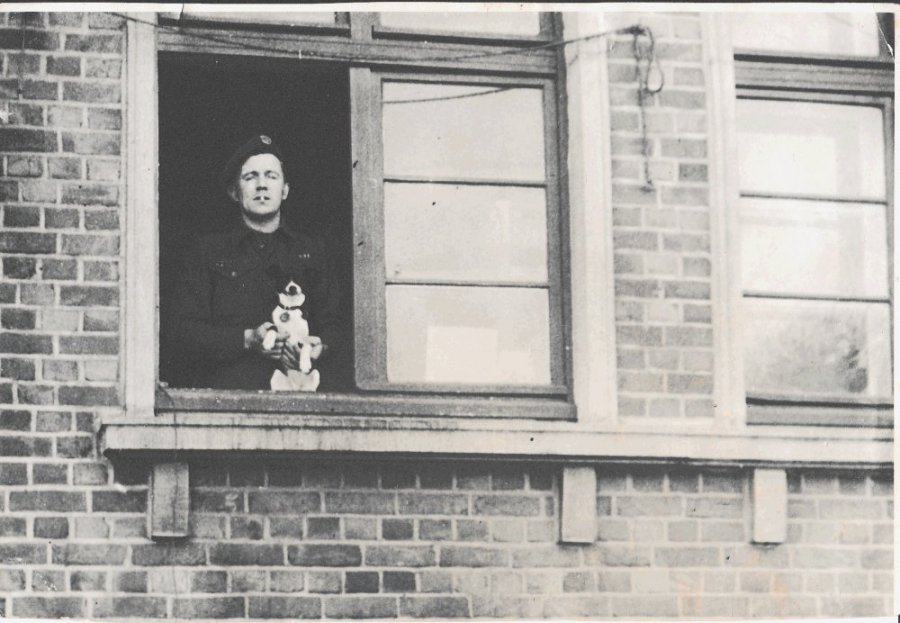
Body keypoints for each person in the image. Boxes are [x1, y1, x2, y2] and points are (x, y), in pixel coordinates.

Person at [170, 134, 344, 390]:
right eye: (250, 177)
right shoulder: (207, 251)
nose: (262, 185)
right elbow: (184, 331)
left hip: (300, 400)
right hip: (230, 400)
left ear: (284, 190)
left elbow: (338, 325)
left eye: (271, 176)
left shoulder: (312, 251)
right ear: (234, 192)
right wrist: (248, 339)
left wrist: (319, 347)